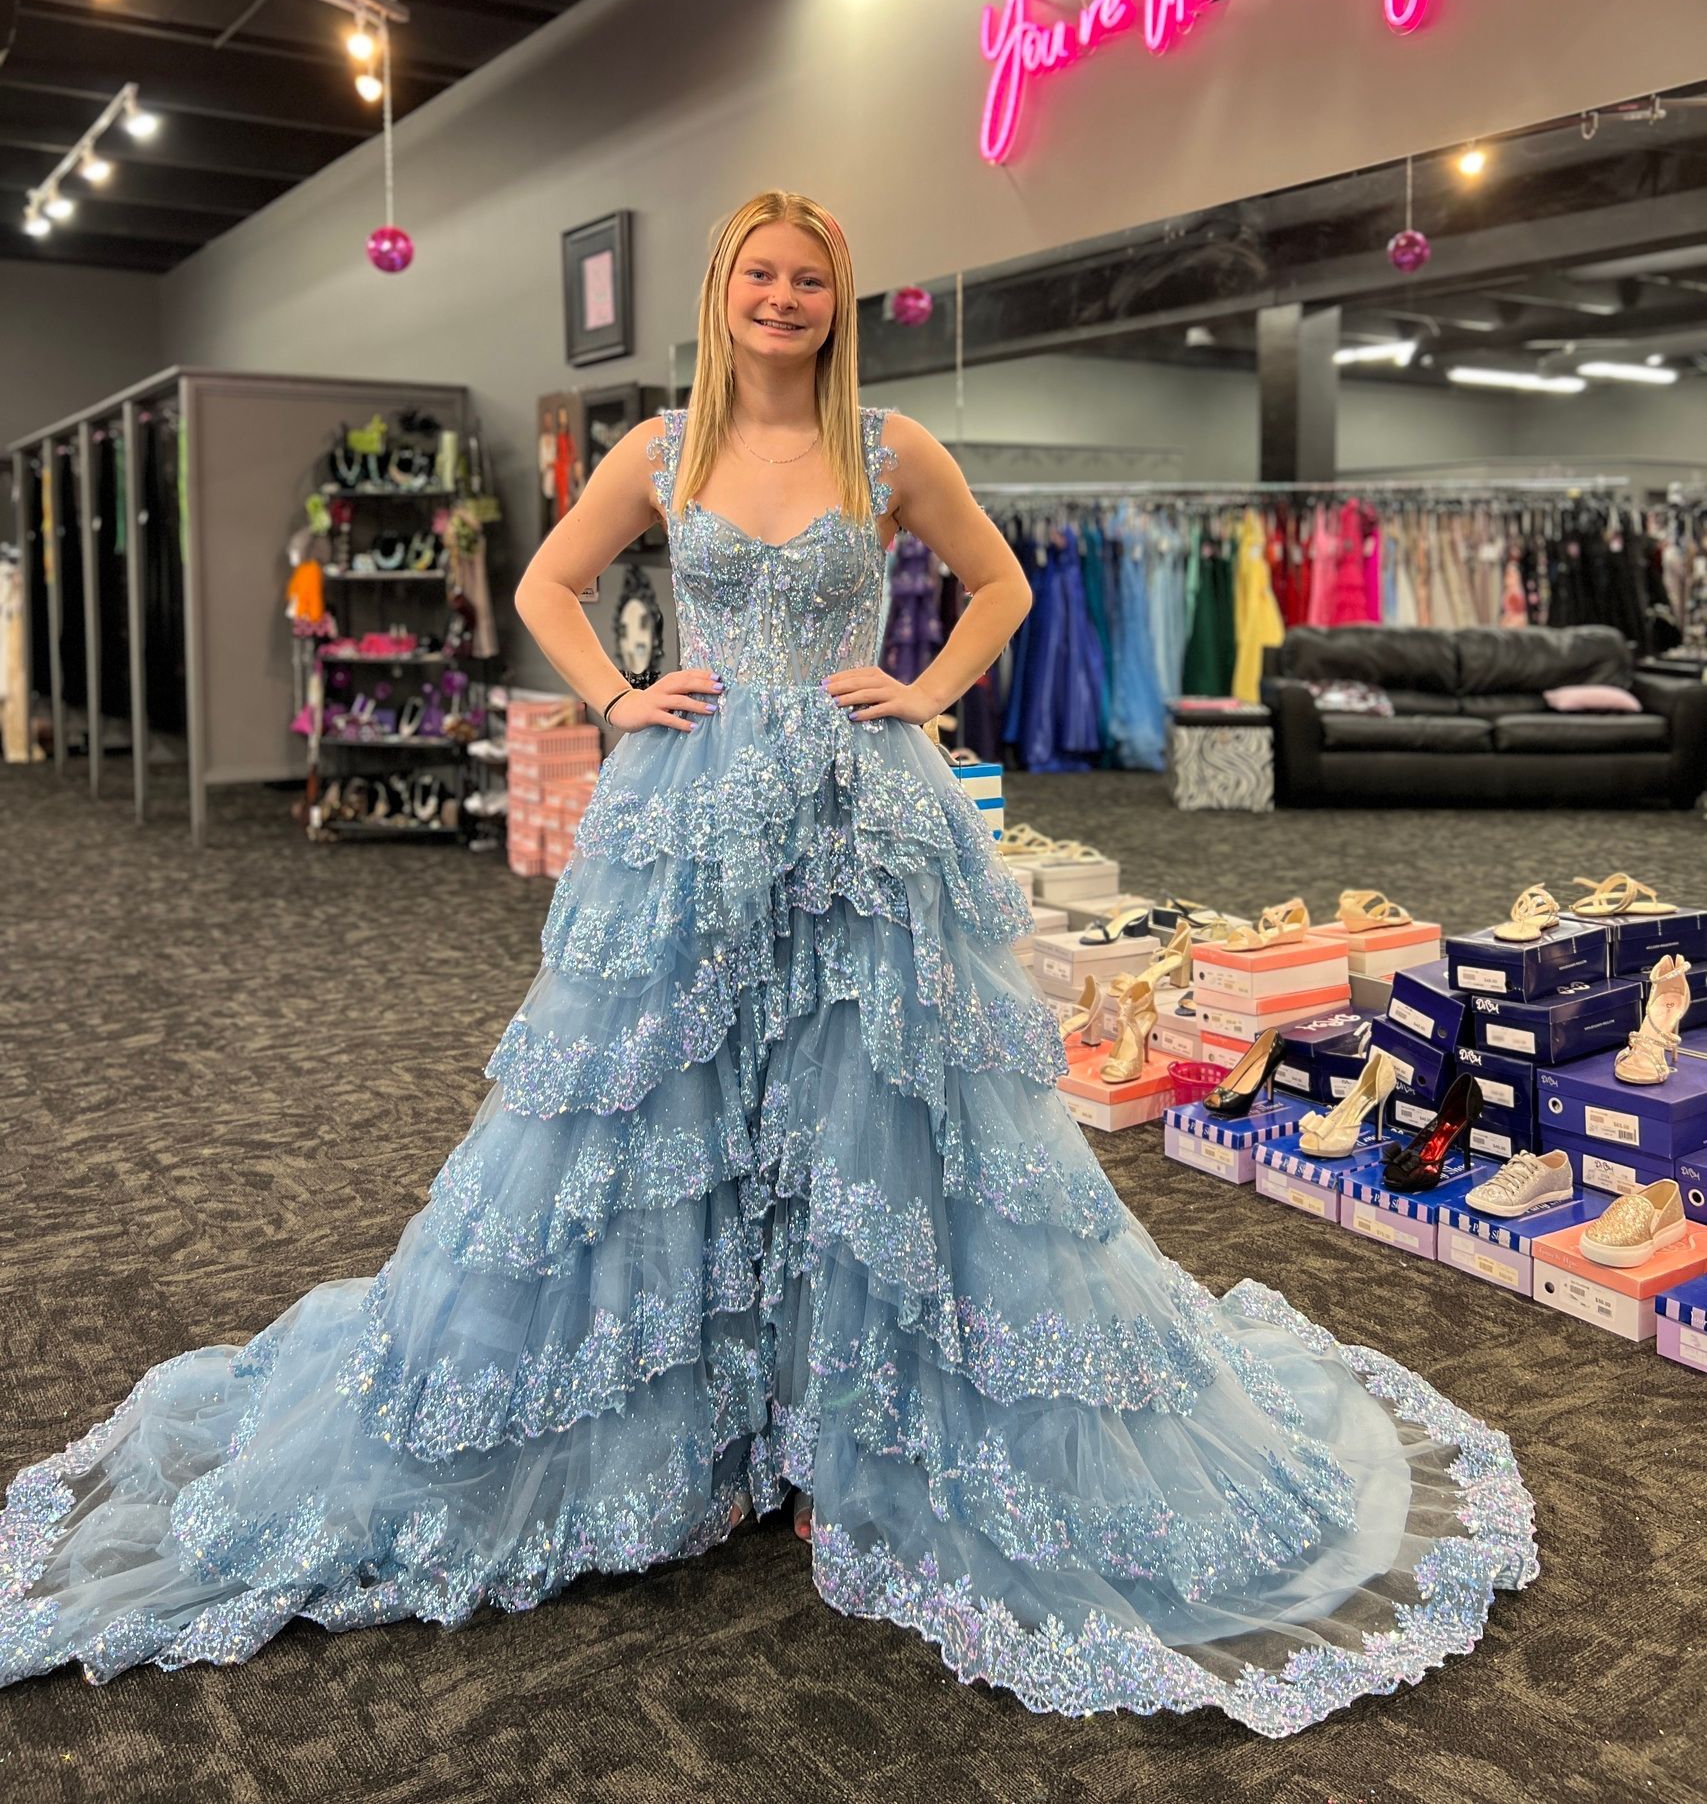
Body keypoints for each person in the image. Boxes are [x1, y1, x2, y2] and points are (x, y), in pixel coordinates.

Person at [0, 191, 1535, 1732]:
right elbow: (547, 584)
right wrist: (617, 694)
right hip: (693, 813)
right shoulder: (666, 449)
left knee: (873, 1115)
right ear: (724, 293)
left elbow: (1000, 586)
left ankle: (846, 1439)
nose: (784, 298)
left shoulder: (892, 451)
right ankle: (707, 1433)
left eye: (809, 279)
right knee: (666, 1114)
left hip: (865, 816)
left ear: (837, 300)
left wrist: (925, 687)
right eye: (760, 275)